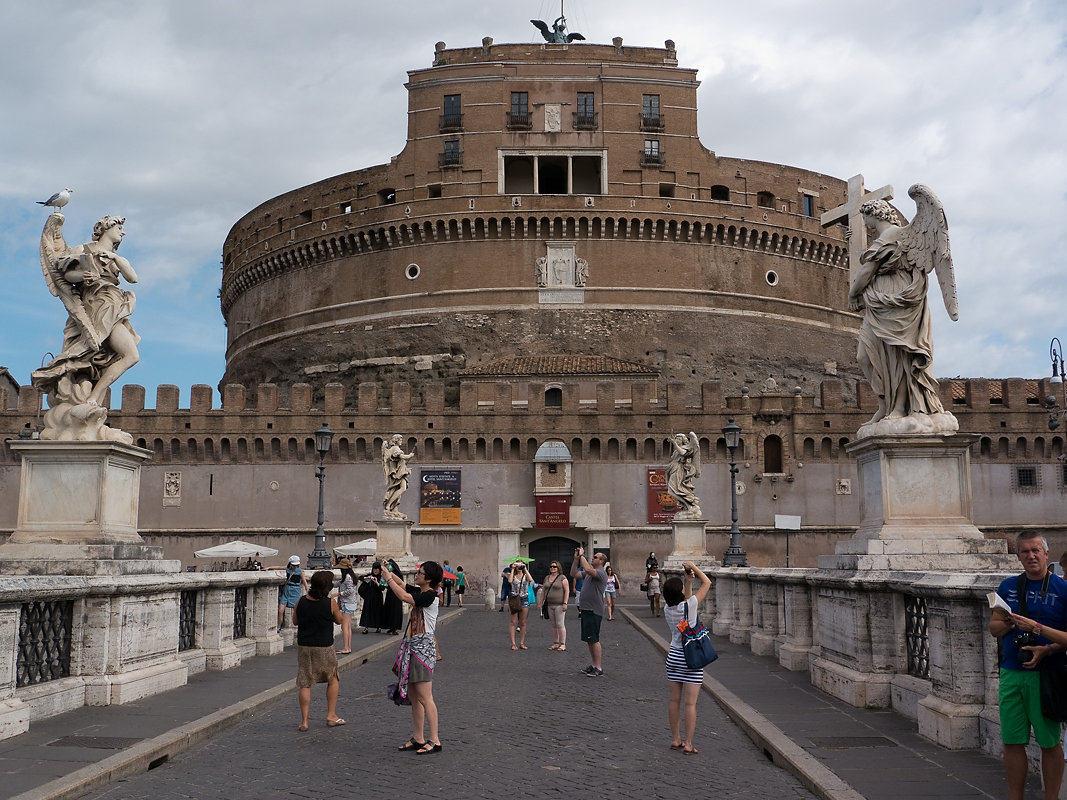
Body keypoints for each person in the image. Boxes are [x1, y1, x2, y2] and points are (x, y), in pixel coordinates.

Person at [848, 190, 955, 426]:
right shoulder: (883, 239)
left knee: (901, 356)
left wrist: (853, 294)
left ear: (873, 214)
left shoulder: (893, 234)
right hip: (879, 304)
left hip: (898, 301)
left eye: (865, 218)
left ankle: (899, 407)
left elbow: (867, 271)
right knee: (864, 357)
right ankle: (884, 404)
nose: (864, 224)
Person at [988, 531, 1067, 800]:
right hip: (1012, 671)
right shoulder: (1008, 587)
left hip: (1047, 675)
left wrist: (1046, 648)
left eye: (1036, 550)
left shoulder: (1063, 589)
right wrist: (1011, 622)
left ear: (1047, 553)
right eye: (1025, 552)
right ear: (1019, 557)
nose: (1031, 556)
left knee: (1049, 741)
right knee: (1012, 740)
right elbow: (994, 629)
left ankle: (1052, 797)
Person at [32, 214, 140, 410]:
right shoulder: (84, 249)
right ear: (106, 228)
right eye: (119, 228)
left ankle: (94, 397)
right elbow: (65, 273)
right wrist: (84, 275)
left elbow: (133, 278)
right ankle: (91, 397)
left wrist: (115, 257)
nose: (123, 232)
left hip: (115, 305)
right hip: (95, 305)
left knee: (130, 356)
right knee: (107, 350)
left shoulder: (118, 259)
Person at [383, 557, 444, 754]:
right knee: (415, 696)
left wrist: (388, 580)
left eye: (420, 573)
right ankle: (418, 737)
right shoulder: (422, 591)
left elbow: (404, 596)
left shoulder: (430, 597)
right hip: (412, 648)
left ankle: (435, 739)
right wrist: (388, 570)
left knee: (426, 697)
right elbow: (403, 585)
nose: (417, 575)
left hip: (422, 650)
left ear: (428, 579)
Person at [662, 561, 712, 755]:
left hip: (673, 655)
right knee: (690, 704)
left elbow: (687, 601)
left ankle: (676, 739)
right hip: (690, 657)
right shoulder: (689, 606)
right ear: (681, 593)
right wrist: (695, 568)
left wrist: (687, 582)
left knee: (674, 700)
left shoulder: (668, 609)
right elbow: (707, 583)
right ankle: (689, 743)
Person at [292, 570, 344, 731]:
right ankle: (331, 715)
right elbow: (339, 620)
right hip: (324, 646)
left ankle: (304, 721)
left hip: (305, 646)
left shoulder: (301, 601)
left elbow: (295, 621)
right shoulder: (330, 603)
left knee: (305, 682)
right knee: (333, 678)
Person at [571, 546, 608, 676]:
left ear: (602, 561)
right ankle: (593, 665)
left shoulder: (601, 572)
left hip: (594, 610)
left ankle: (598, 667)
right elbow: (574, 574)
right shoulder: (589, 573)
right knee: (589, 639)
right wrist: (576, 560)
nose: (593, 558)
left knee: (594, 639)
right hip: (586, 609)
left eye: (596, 557)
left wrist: (582, 556)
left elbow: (587, 568)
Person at [382, 435, 415, 519]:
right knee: (402, 488)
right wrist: (410, 456)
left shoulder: (396, 449)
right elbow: (402, 457)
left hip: (401, 471)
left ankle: (394, 509)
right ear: (396, 440)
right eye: (400, 439)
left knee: (398, 489)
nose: (401, 441)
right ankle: (388, 505)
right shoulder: (395, 449)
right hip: (398, 473)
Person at [540, 560, 569, 651]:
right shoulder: (547, 578)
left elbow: (567, 590)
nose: (552, 568)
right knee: (553, 624)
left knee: (560, 624)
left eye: (554, 567)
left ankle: (563, 644)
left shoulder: (562, 578)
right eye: (551, 566)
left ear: (558, 568)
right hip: (549, 604)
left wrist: (565, 603)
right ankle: (556, 643)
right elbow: (543, 591)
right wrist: (541, 602)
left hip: (559, 604)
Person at [506, 562, 535, 651]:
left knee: (523, 622)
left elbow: (531, 580)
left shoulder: (525, 575)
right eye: (517, 565)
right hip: (514, 598)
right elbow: (510, 581)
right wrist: (513, 569)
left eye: (520, 565)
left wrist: (525, 569)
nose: (519, 567)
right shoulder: (512, 575)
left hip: (524, 598)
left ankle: (522, 643)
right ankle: (513, 643)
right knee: (513, 622)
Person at [277, 555, 308, 632]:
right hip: (287, 590)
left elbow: (305, 582)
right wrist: (268, 568)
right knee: (280, 610)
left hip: (295, 591)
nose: (295, 566)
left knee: (296, 610)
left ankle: (300, 626)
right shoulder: (288, 569)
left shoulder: (301, 571)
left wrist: (308, 592)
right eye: (294, 565)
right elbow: (279, 567)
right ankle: (278, 626)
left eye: (296, 565)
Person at [336, 558, 358, 654]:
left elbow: (350, 591)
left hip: (347, 603)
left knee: (344, 626)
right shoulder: (349, 577)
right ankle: (348, 647)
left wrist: (339, 594)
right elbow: (339, 584)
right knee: (347, 626)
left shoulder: (347, 577)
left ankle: (346, 647)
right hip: (350, 603)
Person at [358, 562, 386, 634]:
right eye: (374, 569)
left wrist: (376, 582)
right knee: (367, 611)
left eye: (377, 569)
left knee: (378, 611)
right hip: (369, 596)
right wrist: (367, 578)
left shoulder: (382, 577)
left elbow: (382, 588)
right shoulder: (370, 575)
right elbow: (360, 578)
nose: (375, 571)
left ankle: (378, 626)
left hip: (377, 597)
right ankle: (366, 627)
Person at [382, 559, 406, 635]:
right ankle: (390, 627)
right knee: (389, 610)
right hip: (390, 593)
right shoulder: (388, 574)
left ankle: (395, 628)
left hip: (397, 595)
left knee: (396, 611)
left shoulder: (398, 575)